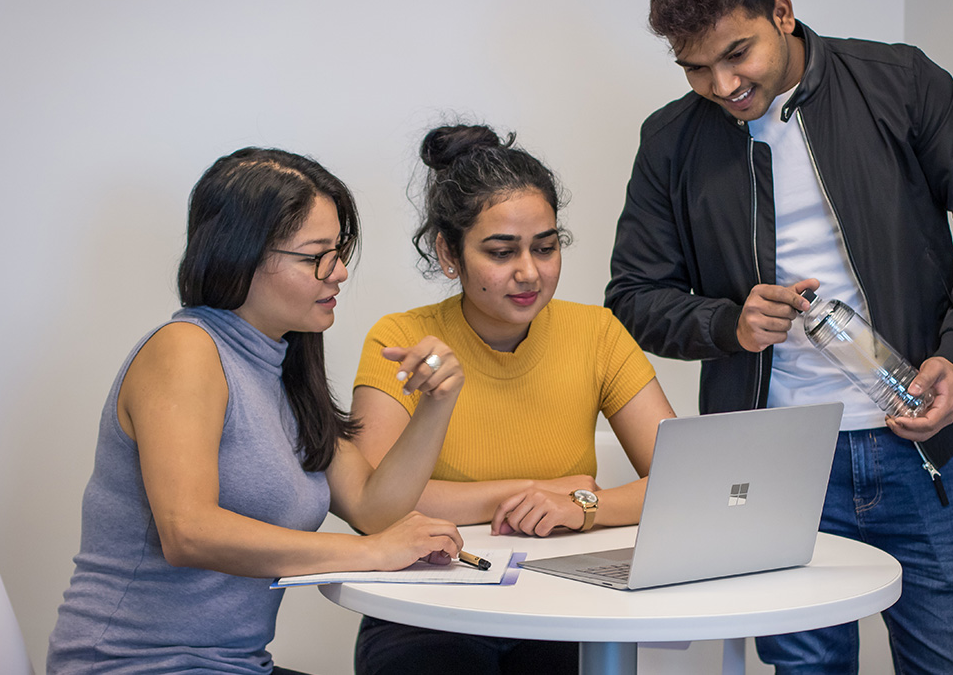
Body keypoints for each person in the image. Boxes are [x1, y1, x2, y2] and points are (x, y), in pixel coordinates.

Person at [605, 0, 953, 674]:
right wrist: (730, 323)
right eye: (695, 69)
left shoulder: (898, 81)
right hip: (775, 465)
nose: (723, 86)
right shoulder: (672, 141)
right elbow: (633, 294)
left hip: (922, 448)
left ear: (781, 12)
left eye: (735, 53)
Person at [47, 147, 467, 674]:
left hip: (234, 665)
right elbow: (189, 531)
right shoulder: (184, 351)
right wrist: (373, 552)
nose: (338, 273)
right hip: (132, 665)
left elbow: (373, 508)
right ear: (240, 254)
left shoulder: (284, 366)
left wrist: (436, 403)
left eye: (339, 251)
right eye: (316, 255)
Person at [351, 123, 676, 674]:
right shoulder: (402, 340)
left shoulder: (596, 333)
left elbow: (681, 482)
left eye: (545, 248)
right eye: (501, 253)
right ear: (448, 254)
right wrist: (536, 492)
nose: (529, 273)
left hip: (564, 603)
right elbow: (375, 507)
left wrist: (582, 505)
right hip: (431, 605)